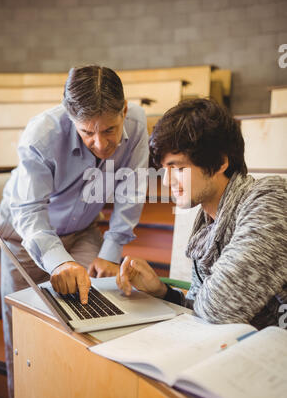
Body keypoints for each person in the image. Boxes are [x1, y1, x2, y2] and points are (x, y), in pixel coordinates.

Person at [0, 65, 149, 398]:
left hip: (82, 229)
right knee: (24, 331)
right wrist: (59, 261)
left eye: (110, 129)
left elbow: (132, 191)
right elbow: (30, 212)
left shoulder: (138, 125)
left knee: (96, 312)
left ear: (124, 109)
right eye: (87, 133)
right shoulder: (41, 135)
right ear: (70, 118)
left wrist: (111, 250)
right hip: (25, 237)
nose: (101, 144)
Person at [117, 98, 287, 331]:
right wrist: (162, 292)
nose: (167, 181)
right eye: (164, 170)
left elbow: (220, 308)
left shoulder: (270, 197)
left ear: (220, 162)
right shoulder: (206, 225)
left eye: (177, 168)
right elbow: (199, 307)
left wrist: (198, 303)